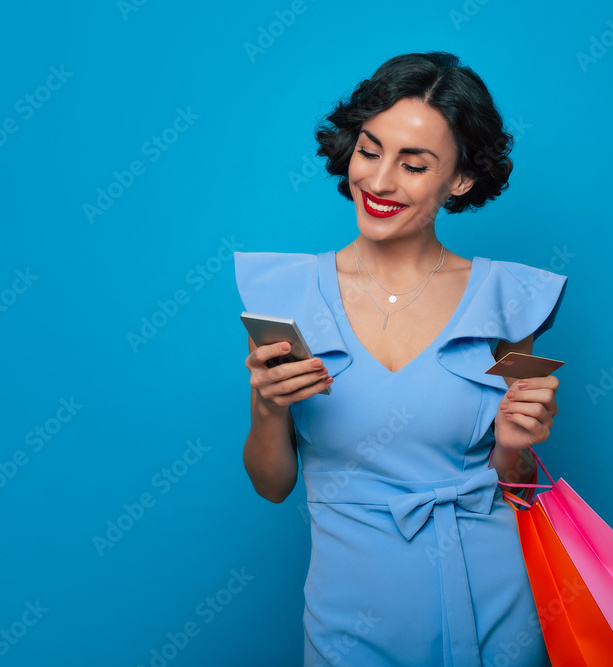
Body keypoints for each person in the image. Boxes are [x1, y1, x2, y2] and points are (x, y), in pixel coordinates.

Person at [234, 51, 567, 666]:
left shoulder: (506, 299)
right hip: (349, 615)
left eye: (414, 165)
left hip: (492, 604)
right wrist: (264, 406)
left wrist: (518, 447)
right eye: (369, 150)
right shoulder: (284, 295)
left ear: (460, 180)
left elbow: (516, 484)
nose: (379, 181)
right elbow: (272, 484)